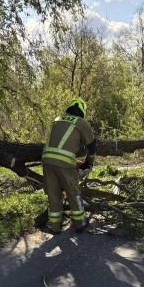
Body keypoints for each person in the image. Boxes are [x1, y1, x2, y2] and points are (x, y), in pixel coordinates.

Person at [42, 97, 97, 233]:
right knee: (73, 192)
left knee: (54, 194)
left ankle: (55, 227)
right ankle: (80, 223)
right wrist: (88, 162)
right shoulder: (81, 122)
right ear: (82, 111)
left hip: (47, 160)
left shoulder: (57, 119)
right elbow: (92, 145)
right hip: (65, 162)